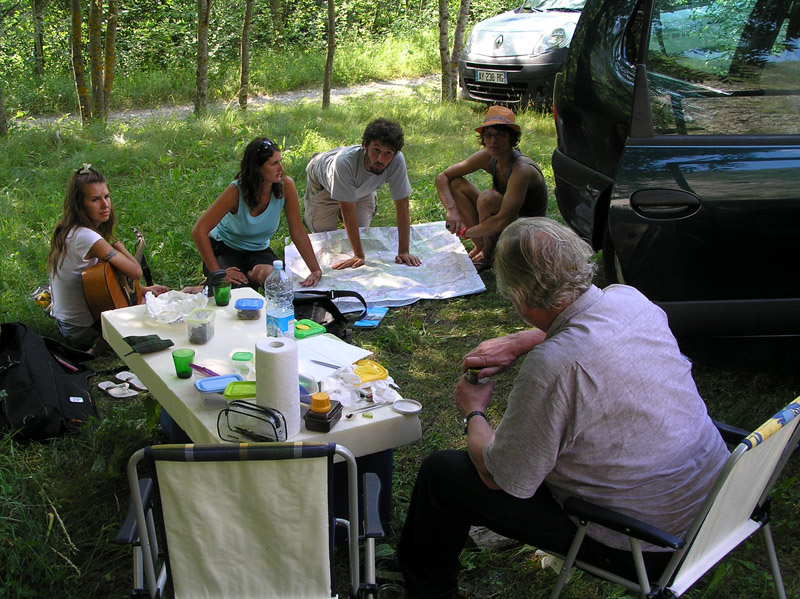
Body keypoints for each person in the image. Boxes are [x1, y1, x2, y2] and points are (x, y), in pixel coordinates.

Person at [397, 217, 729, 599]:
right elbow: (585, 317)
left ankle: (429, 589)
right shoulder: (631, 299)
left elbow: (496, 476)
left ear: (517, 295)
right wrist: (522, 340)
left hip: (645, 546)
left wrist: (473, 411)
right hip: (715, 511)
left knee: (443, 474)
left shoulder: (553, 367)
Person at [48, 165, 168, 353]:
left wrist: (142, 290)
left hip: (68, 325)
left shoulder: (69, 229)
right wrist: (118, 245)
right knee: (162, 313)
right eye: (95, 199)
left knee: (154, 302)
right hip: (83, 331)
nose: (105, 205)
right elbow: (135, 271)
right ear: (80, 205)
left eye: (107, 196)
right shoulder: (87, 237)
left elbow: (106, 279)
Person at [192, 137, 322, 288]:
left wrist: (315, 270)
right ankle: (201, 288)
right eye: (274, 163)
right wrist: (218, 273)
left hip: (258, 249)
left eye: (280, 161)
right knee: (235, 291)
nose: (281, 169)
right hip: (225, 248)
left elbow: (298, 231)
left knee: (277, 281)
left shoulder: (286, 185)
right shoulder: (235, 191)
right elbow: (198, 231)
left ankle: (248, 275)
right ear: (257, 168)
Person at [435, 105, 548, 272]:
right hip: (506, 222)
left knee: (488, 199)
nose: (493, 141)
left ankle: (488, 254)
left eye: (500, 135)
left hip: (528, 231)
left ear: (512, 139)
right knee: (456, 184)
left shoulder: (521, 169)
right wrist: (452, 211)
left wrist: (466, 232)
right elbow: (442, 177)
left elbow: (502, 219)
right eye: (489, 135)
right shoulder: (489, 157)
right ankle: (482, 247)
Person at [304, 118, 421, 270]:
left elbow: (403, 206)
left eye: (387, 153)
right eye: (376, 150)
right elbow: (347, 212)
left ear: (395, 153)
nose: (380, 159)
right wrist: (359, 255)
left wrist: (404, 251)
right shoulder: (343, 163)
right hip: (325, 184)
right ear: (365, 145)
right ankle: (320, 157)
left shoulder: (397, 160)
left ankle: (353, 193)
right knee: (325, 236)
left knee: (362, 231)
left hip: (363, 188)